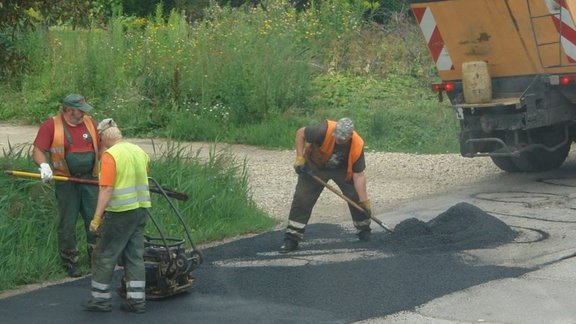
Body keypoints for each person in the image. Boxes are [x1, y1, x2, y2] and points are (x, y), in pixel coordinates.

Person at [82, 118, 151, 313]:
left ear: (103, 137)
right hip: (141, 209)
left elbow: (106, 190)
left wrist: (97, 218)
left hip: (120, 213)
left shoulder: (110, 156)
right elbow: (144, 174)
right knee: (134, 256)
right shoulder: (139, 151)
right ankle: (137, 302)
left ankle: (100, 300)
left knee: (104, 254)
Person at [280, 117, 372, 253]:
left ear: (350, 136)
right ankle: (292, 238)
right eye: (337, 137)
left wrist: (364, 201)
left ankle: (364, 229)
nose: (338, 140)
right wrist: (300, 158)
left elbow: (358, 175)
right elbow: (300, 133)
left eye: (342, 139)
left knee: (355, 195)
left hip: (341, 168)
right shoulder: (322, 130)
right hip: (315, 166)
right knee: (302, 198)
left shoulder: (357, 145)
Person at [32, 93, 100, 277]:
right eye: (80, 111)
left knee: (95, 219)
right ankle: (70, 261)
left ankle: (97, 258)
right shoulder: (51, 126)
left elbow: (102, 146)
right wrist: (44, 166)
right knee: (67, 223)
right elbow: (38, 150)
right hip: (66, 182)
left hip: (90, 180)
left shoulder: (90, 123)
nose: (84, 114)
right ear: (69, 110)